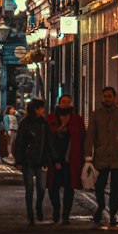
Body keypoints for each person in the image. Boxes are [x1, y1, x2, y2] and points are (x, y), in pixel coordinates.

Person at [85, 85, 118, 226]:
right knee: (99, 186)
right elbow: (90, 136)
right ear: (102, 98)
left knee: (116, 187)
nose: (107, 99)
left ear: (115, 98)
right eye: (105, 96)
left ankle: (113, 214)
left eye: (109, 96)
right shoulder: (96, 114)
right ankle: (100, 206)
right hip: (101, 156)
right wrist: (88, 156)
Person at [47, 94, 86, 225]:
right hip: (54, 160)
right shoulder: (51, 118)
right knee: (53, 188)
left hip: (71, 160)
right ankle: (56, 209)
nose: (65, 104)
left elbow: (83, 140)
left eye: (68, 102)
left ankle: (65, 215)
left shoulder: (77, 120)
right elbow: (47, 140)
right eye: (63, 102)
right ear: (59, 103)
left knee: (70, 188)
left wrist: (86, 158)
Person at [13, 99, 52, 225]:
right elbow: (19, 143)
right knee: (29, 188)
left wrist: (53, 158)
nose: (44, 110)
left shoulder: (44, 124)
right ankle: (30, 215)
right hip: (27, 161)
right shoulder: (24, 123)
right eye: (42, 108)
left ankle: (38, 206)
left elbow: (49, 142)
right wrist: (18, 160)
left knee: (41, 188)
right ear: (36, 109)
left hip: (41, 160)